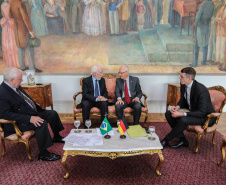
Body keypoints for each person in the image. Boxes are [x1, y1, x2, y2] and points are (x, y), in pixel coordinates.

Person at [0, 67, 65, 161]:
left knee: (52, 114)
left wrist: (35, 106)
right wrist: (29, 118)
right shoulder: (2, 92)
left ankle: (57, 137)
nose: (22, 80)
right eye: (20, 79)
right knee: (40, 123)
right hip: (16, 123)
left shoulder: (15, 85)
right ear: (11, 80)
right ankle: (43, 154)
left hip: (28, 113)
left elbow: (25, 100)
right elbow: (6, 114)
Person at [161, 67, 216, 149]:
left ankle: (165, 140)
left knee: (183, 119)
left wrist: (182, 114)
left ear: (189, 78)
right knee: (168, 114)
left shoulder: (201, 90)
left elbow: (202, 112)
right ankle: (183, 140)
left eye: (182, 77)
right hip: (193, 111)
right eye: (180, 76)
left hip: (205, 117)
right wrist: (178, 107)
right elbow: (182, 99)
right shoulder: (183, 84)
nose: (179, 78)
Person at [9, 0, 43, 73]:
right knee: (29, 48)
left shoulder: (12, 3)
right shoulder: (21, 4)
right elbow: (25, 18)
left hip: (16, 29)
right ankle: (32, 68)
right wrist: (31, 31)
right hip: (24, 29)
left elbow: (10, 15)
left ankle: (22, 67)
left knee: (20, 47)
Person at [191, 0, 214, 67]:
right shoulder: (212, 4)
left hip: (200, 26)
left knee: (196, 44)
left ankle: (194, 63)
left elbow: (198, 17)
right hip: (207, 26)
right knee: (205, 44)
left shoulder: (203, 5)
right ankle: (204, 61)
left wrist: (195, 22)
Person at [0, 0, 19, 68]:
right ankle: (15, 63)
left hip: (6, 24)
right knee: (12, 42)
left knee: (8, 43)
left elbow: (3, 14)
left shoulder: (2, 5)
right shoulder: (11, 4)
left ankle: (9, 62)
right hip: (11, 24)